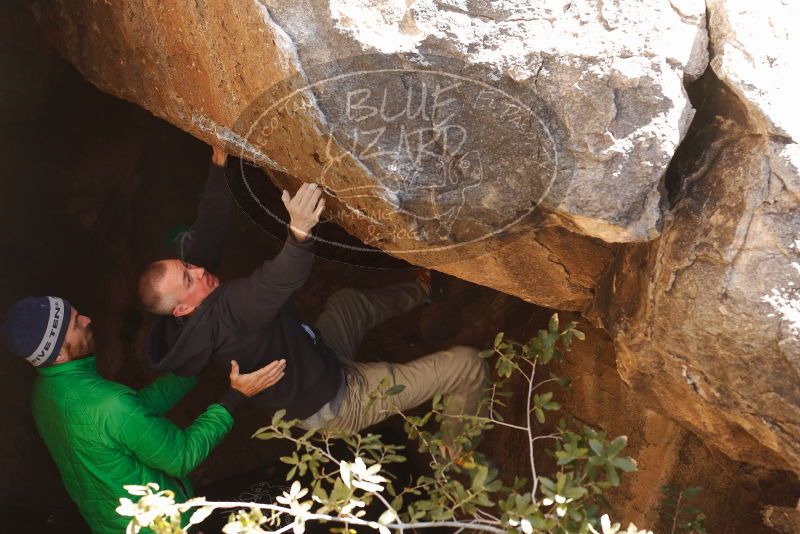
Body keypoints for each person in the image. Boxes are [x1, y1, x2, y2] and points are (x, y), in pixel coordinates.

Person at [137, 146, 487, 439]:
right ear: (181, 309)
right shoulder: (228, 313)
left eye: (187, 267)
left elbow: (207, 234)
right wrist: (300, 231)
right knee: (468, 366)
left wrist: (218, 165)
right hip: (339, 398)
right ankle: (455, 455)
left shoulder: (186, 310)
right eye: (188, 278)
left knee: (347, 304)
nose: (198, 271)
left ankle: (424, 288)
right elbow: (279, 279)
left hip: (317, 356)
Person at [0, 295, 286, 534]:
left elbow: (134, 412)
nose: (87, 319)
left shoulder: (45, 392)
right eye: (75, 324)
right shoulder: (105, 403)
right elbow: (181, 456)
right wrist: (236, 396)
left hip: (111, 524)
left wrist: (193, 366)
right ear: (59, 354)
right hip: (161, 526)